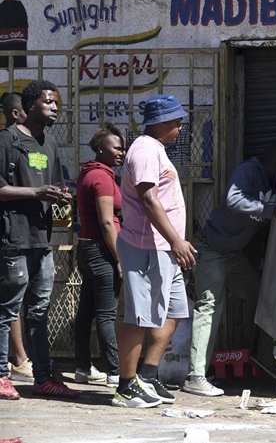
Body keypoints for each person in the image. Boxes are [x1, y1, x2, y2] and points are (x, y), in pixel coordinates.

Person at [182, 143, 276, 397]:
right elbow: (233, 199)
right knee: (209, 306)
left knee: (258, 295)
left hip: (233, 255)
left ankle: (248, 353)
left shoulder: (273, 184)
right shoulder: (250, 170)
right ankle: (195, 377)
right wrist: (269, 211)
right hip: (211, 250)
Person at [112, 94, 197, 408]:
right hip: (147, 247)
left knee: (174, 312)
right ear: (162, 122)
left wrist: (174, 244)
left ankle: (147, 375)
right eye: (176, 122)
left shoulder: (155, 149)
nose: (179, 127)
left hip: (164, 249)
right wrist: (176, 240)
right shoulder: (146, 150)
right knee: (139, 317)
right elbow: (149, 200)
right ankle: (125, 386)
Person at [0, 80, 79, 399]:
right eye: (49, 102)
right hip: (14, 240)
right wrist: (35, 192)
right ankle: (2, 376)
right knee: (7, 310)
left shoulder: (49, 143)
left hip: (41, 241)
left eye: (57, 103)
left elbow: (57, 185)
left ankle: (43, 378)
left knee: (39, 311)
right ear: (31, 105)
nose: (55, 108)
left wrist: (63, 196)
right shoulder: (7, 140)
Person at [74, 122, 126, 387]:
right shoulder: (102, 177)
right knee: (106, 315)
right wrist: (119, 260)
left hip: (87, 249)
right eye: (116, 147)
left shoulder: (88, 172)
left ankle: (83, 368)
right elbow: (107, 223)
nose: (122, 152)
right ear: (101, 147)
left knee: (86, 312)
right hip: (102, 250)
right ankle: (116, 373)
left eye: (123, 148)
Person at [0, 92, 33, 384]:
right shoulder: (6, 141)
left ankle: (20, 359)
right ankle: (18, 360)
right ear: (15, 113)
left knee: (13, 300)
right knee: (10, 301)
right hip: (8, 234)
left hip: (17, 232)